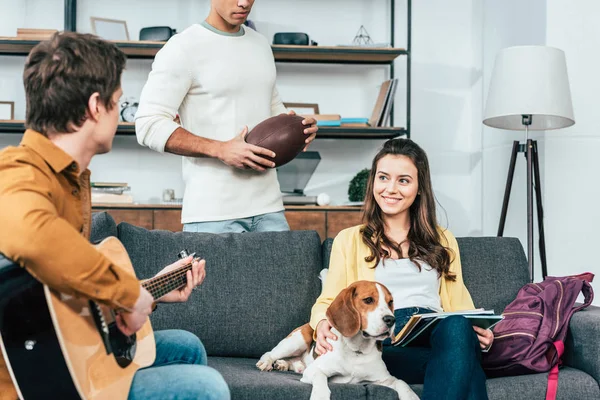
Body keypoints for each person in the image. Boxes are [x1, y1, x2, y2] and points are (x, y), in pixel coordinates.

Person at [0, 32, 230, 400]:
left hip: (66, 354)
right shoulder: (16, 171)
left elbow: (68, 294)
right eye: (119, 102)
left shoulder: (72, 180)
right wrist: (125, 292)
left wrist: (151, 289)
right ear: (95, 106)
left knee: (185, 347)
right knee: (208, 388)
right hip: (31, 377)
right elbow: (33, 237)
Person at [309, 138, 494, 400]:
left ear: (419, 188)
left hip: (439, 338)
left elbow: (461, 307)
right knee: (468, 371)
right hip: (385, 345)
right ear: (374, 182)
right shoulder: (349, 240)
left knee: (457, 328)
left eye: (403, 180)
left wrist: (482, 331)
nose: (391, 189)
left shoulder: (443, 240)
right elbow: (327, 300)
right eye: (383, 178)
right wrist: (321, 323)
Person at [135, 0, 318, 234]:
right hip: (213, 215)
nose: (244, 3)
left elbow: (272, 108)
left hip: (270, 209)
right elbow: (148, 124)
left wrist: (297, 126)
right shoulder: (182, 47)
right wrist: (220, 149)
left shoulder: (260, 44)